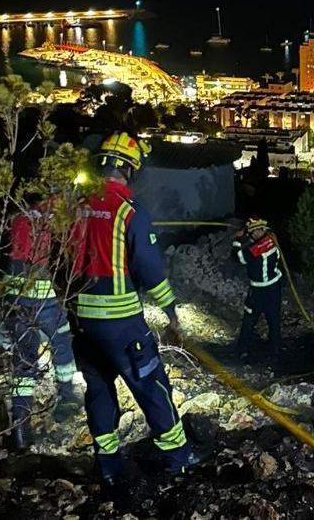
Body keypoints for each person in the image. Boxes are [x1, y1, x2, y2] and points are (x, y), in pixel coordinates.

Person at [70, 132, 195, 484]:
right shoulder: (130, 212)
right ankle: (177, 459)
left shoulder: (76, 206)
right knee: (152, 385)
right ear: (131, 170)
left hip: (81, 323)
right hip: (122, 324)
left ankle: (108, 467)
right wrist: (171, 313)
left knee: (98, 390)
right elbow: (151, 271)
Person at [6, 203, 81, 451]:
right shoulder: (42, 219)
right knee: (61, 338)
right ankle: (67, 397)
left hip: (13, 298)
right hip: (39, 296)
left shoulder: (18, 216)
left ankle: (19, 427)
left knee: (24, 360)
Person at [233, 217, 284, 364]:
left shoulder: (255, 249)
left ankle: (241, 351)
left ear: (262, 230)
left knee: (249, 320)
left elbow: (239, 258)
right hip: (275, 288)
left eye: (256, 231)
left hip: (259, 291)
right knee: (273, 320)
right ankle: (276, 351)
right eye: (251, 232)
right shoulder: (272, 240)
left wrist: (237, 240)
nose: (253, 235)